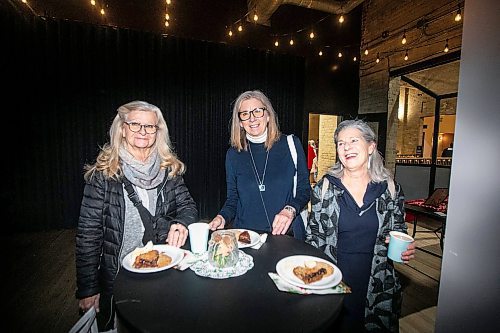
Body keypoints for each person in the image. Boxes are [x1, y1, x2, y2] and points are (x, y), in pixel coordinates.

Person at [75, 100, 198, 331]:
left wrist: (182, 223)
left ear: (157, 132)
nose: (143, 131)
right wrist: (88, 288)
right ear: (122, 128)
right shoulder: (104, 174)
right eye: (135, 125)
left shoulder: (168, 169)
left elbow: (188, 206)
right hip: (120, 277)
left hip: (163, 269)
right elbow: (88, 234)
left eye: (150, 127)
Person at [305, 119, 415, 332]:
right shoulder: (325, 188)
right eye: (341, 143)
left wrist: (405, 248)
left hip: (377, 281)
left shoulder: (390, 189)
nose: (346, 147)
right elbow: (313, 238)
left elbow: (398, 230)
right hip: (333, 280)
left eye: (353, 140)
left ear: (371, 146)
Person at [208, 90, 310, 239]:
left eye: (257, 111)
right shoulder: (233, 154)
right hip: (245, 237)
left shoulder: (291, 144)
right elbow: (233, 200)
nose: (252, 119)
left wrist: (290, 210)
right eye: (245, 114)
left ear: (268, 115)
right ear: (240, 123)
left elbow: (304, 190)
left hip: (285, 235)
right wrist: (221, 217)